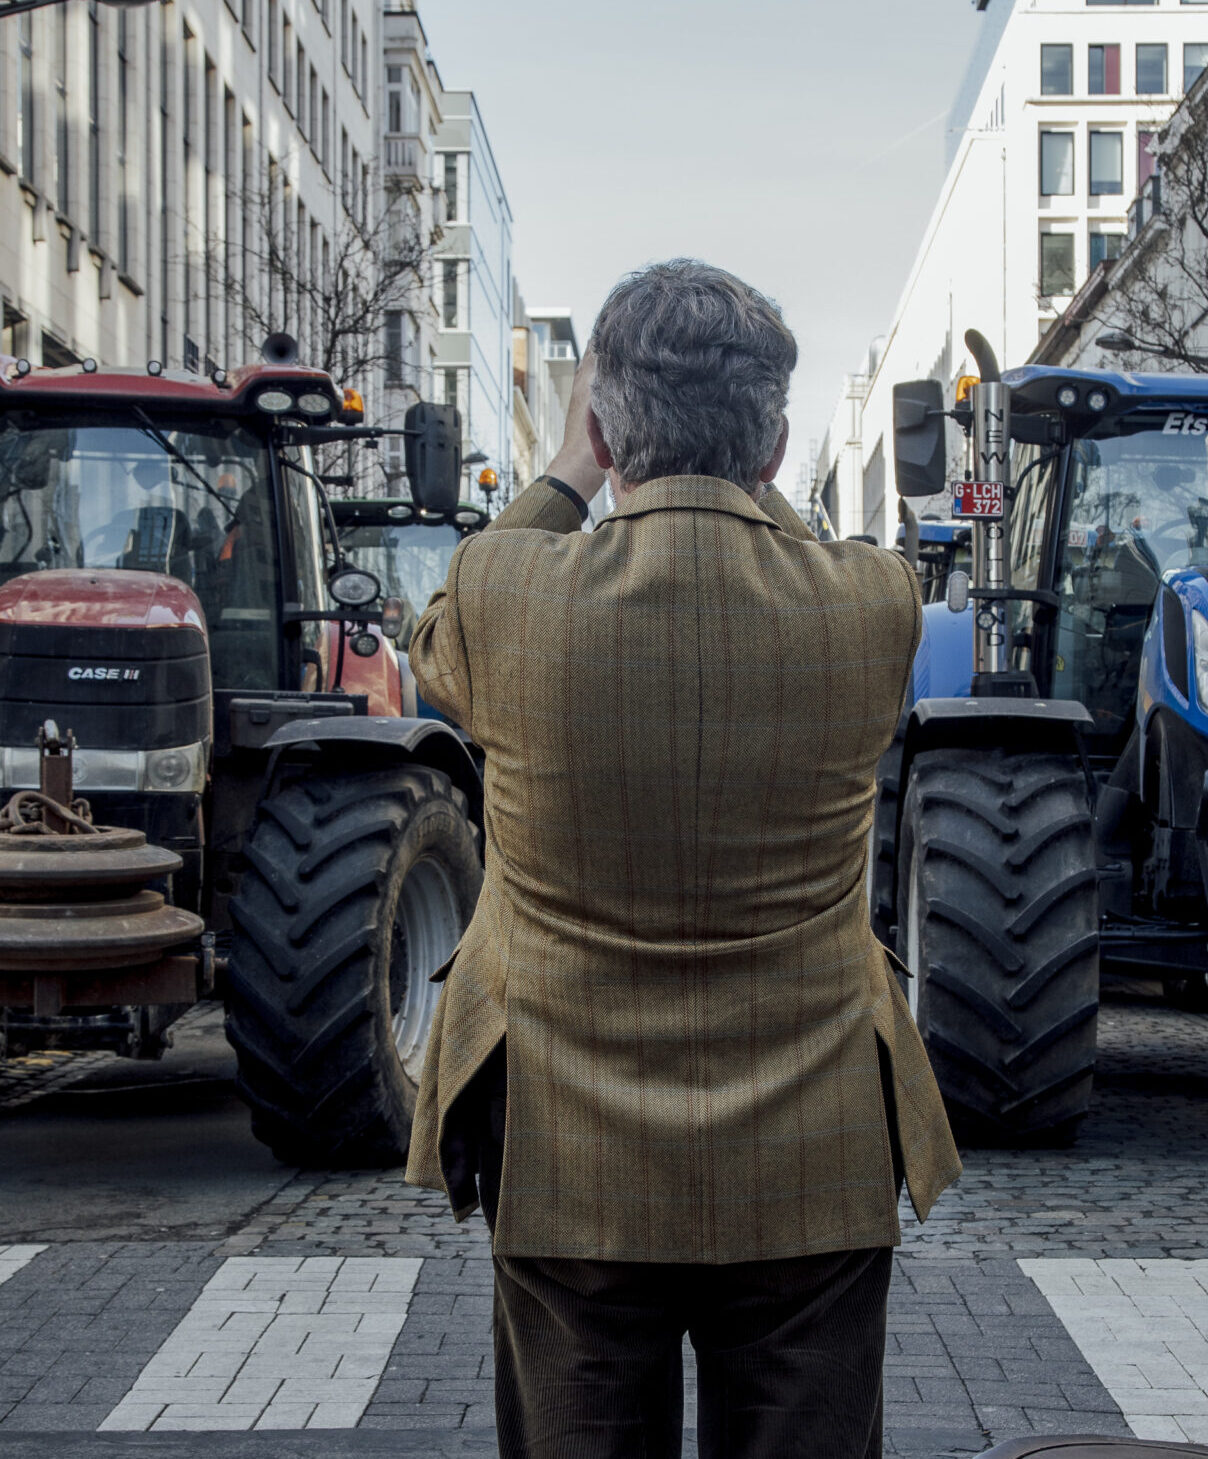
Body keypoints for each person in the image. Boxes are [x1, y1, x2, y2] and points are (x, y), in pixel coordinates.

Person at [404, 259, 961, 1459]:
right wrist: (753, 484)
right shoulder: (873, 604)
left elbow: (432, 649)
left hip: (569, 1158)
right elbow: (800, 553)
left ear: (604, 428)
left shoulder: (502, 592)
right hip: (811, 1150)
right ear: (772, 449)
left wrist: (566, 473)